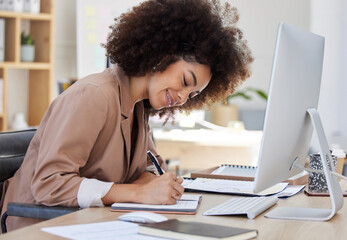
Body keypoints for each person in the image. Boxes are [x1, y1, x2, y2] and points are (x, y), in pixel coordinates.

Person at [0, 0, 253, 232]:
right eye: (186, 81)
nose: (183, 97)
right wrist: (135, 193)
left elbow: (147, 171)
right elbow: (48, 184)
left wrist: (158, 183)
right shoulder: (94, 95)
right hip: (35, 227)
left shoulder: (139, 108)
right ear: (163, 53)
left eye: (193, 94)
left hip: (87, 223)